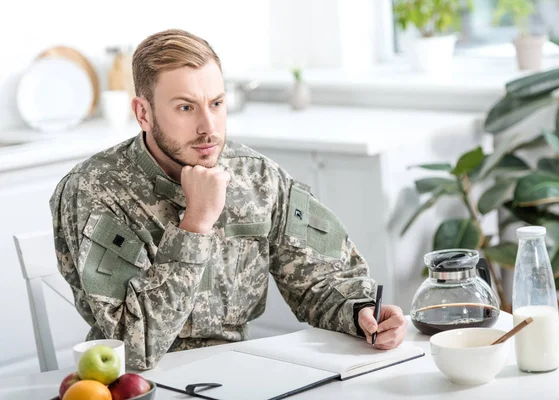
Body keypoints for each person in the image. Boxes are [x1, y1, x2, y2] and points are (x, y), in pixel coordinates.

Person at [50, 29, 407, 370]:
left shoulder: (257, 177)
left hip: (241, 374)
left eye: (217, 103)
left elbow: (321, 281)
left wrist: (359, 312)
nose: (209, 126)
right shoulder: (93, 190)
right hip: (142, 384)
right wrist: (196, 225)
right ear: (143, 113)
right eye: (186, 108)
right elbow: (133, 347)